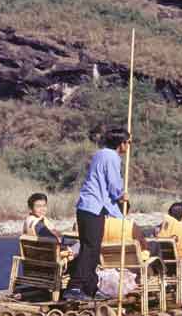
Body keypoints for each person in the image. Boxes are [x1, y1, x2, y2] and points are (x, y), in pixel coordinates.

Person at [64, 127, 130, 301]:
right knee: (90, 248)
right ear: (121, 143)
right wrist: (121, 195)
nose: (129, 146)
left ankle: (90, 288)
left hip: (88, 207)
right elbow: (113, 183)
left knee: (92, 248)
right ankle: (75, 287)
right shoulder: (112, 157)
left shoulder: (100, 154)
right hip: (93, 207)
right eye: (128, 142)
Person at [23, 193, 77, 261]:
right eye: (38, 206)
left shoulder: (29, 220)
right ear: (31, 208)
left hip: (33, 257)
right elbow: (53, 240)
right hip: (47, 258)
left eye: (44, 206)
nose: (42, 209)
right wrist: (73, 242)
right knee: (81, 246)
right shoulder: (38, 225)